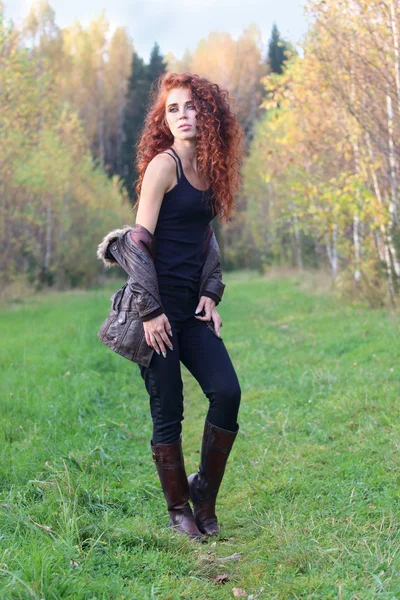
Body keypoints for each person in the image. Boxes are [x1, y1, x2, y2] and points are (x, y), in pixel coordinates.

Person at [97, 72, 244, 540]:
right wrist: (150, 312)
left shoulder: (208, 166)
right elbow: (137, 245)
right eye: (173, 109)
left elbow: (206, 241)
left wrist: (211, 291)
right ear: (164, 119)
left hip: (191, 312)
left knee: (227, 392)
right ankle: (179, 507)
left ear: (208, 114)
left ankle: (204, 494)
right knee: (169, 409)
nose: (183, 116)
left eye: (191, 107)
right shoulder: (164, 166)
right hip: (155, 313)